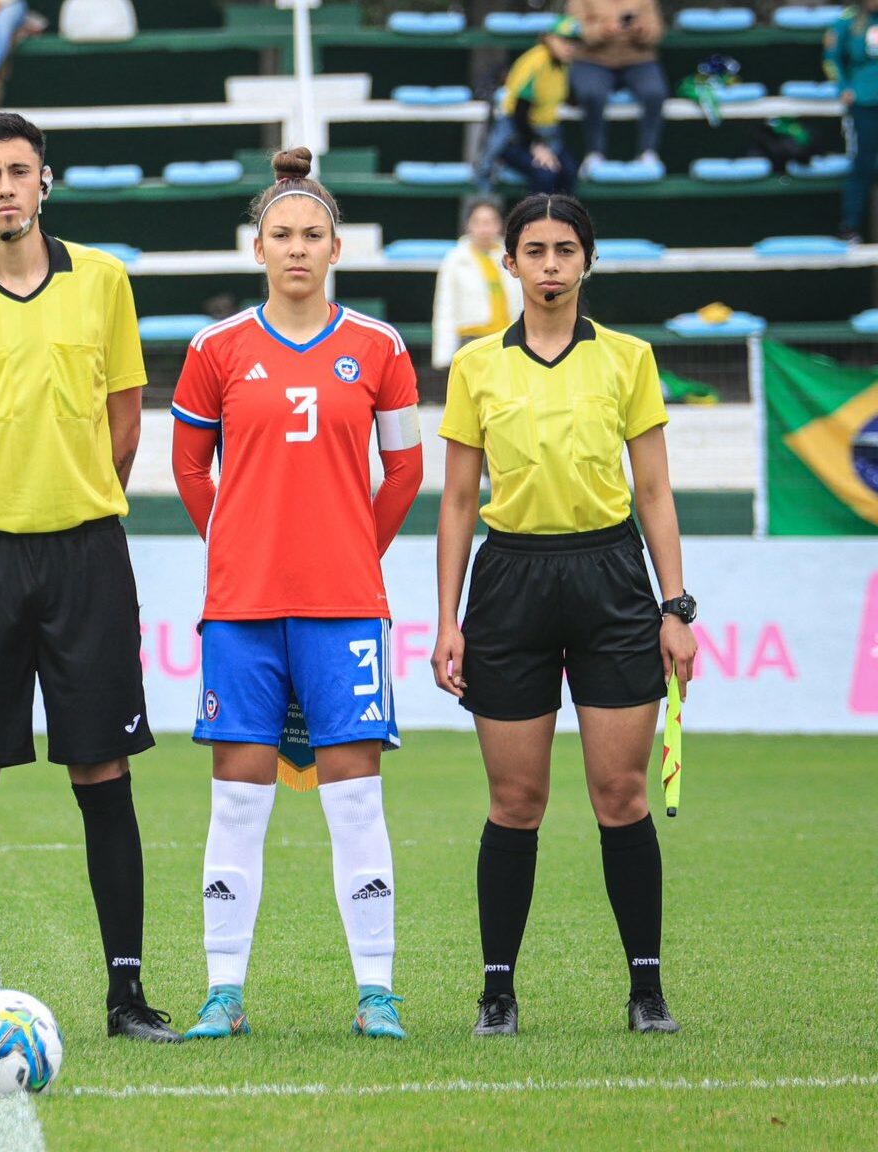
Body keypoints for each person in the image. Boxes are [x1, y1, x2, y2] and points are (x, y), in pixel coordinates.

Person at [0, 112, 182, 1046]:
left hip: (86, 553)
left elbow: (128, 416)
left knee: (103, 769)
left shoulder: (104, 280)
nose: (7, 188)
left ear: (45, 182)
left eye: (21, 171)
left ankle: (127, 994)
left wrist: (71, 496)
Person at [171, 147, 424, 1042]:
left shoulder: (380, 348)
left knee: (355, 797)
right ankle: (224, 992)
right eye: (281, 234)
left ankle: (378, 993)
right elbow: (188, 468)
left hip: (344, 606)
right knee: (238, 797)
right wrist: (238, 544)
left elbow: (404, 470)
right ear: (257, 246)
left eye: (313, 234)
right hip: (241, 611)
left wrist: (353, 546)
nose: (297, 250)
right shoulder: (217, 349)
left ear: (335, 246)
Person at [432, 193, 696, 1037]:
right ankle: (497, 994)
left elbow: (653, 491)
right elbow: (460, 503)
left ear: (588, 261)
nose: (550, 264)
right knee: (517, 800)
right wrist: (448, 620)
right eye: (534, 250)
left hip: (611, 579)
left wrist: (675, 606)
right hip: (509, 583)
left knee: (620, 795)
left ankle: (646, 991)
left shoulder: (629, 359)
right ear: (508, 262)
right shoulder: (476, 367)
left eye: (565, 250)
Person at [476, 19, 581, 196]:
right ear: (549, 39)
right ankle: (535, 222)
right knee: (546, 174)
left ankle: (563, 222)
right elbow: (519, 114)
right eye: (564, 40)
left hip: (547, 134)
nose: (570, 46)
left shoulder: (563, 65)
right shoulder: (534, 63)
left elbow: (568, 97)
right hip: (517, 136)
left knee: (569, 171)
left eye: (573, 42)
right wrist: (537, 146)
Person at [566, 0, 669, 169]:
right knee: (591, 93)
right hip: (592, 60)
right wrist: (603, 31)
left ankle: (648, 152)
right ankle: (595, 153)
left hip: (638, 60)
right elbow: (574, 31)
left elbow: (656, 33)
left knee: (655, 92)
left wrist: (640, 30)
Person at [431, 198, 522, 371]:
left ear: (500, 225)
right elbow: (445, 306)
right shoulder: (455, 259)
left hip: (507, 339)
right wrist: (443, 354)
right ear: (468, 225)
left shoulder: (512, 256)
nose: (484, 228)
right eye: (478, 222)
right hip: (472, 341)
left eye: (490, 222)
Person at [825, 0, 878, 242]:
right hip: (864, 99)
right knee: (863, 162)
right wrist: (843, 87)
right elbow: (831, 59)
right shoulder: (846, 20)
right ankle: (850, 224)